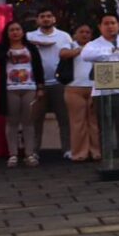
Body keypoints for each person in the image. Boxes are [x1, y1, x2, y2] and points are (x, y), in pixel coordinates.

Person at [0, 20, 44, 167]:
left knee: (28, 122)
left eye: (18, 29)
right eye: (11, 30)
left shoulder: (31, 48)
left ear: (23, 32)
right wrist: (4, 52)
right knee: (12, 122)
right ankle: (13, 154)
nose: (15, 32)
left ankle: (29, 154)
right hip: (10, 89)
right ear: (7, 33)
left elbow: (38, 67)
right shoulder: (2, 48)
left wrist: (40, 87)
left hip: (29, 87)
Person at [81, 14, 119, 161]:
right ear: (100, 27)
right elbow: (85, 56)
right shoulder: (93, 44)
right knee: (104, 128)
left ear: (118, 25)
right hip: (102, 93)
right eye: (106, 23)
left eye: (113, 23)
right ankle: (107, 158)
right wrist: (109, 52)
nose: (110, 26)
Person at [26, 9, 75, 159]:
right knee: (35, 119)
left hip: (58, 82)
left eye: (49, 16)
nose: (46, 19)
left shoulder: (64, 36)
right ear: (37, 20)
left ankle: (67, 149)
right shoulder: (29, 36)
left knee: (64, 118)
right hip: (36, 83)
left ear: (54, 19)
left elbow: (69, 55)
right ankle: (34, 151)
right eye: (42, 17)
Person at [64, 24, 98, 161]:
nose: (85, 34)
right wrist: (80, 50)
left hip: (94, 88)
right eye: (81, 32)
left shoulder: (97, 46)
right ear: (75, 34)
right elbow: (63, 54)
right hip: (74, 88)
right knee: (77, 123)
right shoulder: (70, 45)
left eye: (88, 32)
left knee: (94, 122)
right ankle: (79, 153)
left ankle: (96, 151)